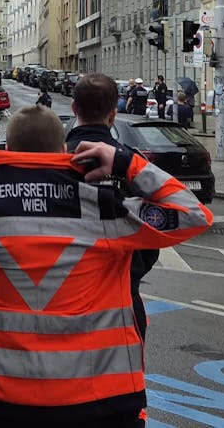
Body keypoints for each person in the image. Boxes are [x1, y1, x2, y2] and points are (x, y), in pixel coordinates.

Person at [0, 106, 212, 427]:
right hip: (97, 398)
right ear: (63, 150)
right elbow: (193, 214)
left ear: (6, 149)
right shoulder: (102, 201)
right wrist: (125, 162)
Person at [64, 74, 158, 341]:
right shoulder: (130, 163)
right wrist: (130, 274)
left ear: (74, 109)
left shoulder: (53, 159)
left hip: (63, 300)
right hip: (123, 302)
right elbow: (153, 233)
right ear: (113, 115)